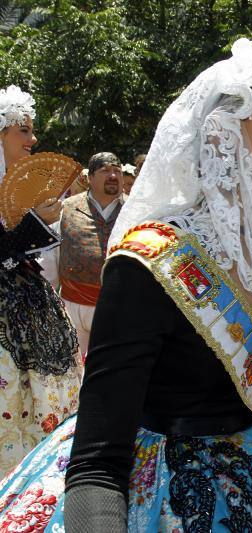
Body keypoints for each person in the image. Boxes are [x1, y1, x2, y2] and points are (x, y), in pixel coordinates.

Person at [0, 32, 252, 531]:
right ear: (225, 135)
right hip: (161, 498)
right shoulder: (148, 263)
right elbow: (99, 458)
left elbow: (246, 378)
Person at [0, 85, 81, 476]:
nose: (33, 140)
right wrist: (33, 226)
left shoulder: (18, 192)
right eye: (24, 131)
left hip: (31, 309)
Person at [41, 152, 125, 355]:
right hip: (71, 306)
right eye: (105, 170)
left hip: (120, 309)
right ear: (89, 178)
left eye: (117, 171)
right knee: (73, 371)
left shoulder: (135, 210)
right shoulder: (65, 209)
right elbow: (49, 260)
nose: (113, 175)